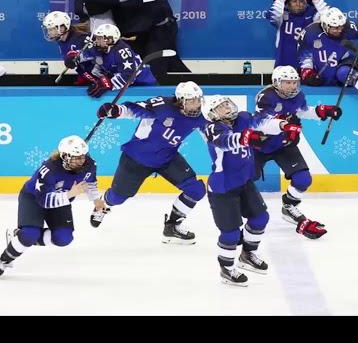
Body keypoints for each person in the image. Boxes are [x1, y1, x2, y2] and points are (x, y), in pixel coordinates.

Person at [201, 95, 301, 286]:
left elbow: (262, 123)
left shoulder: (243, 118)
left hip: (244, 182)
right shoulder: (212, 128)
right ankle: (227, 269)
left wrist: (283, 126)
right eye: (221, 107)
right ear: (212, 114)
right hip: (223, 187)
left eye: (226, 104)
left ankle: (247, 254)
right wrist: (245, 137)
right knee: (230, 233)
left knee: (260, 218)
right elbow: (225, 141)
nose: (227, 108)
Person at [91, 82, 208, 244]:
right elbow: (134, 109)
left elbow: (211, 137)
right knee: (117, 198)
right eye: (191, 101)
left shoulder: (201, 116)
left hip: (168, 158)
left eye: (197, 100)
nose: (195, 105)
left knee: (196, 190)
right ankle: (103, 203)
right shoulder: (162, 105)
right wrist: (116, 111)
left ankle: (172, 227)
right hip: (136, 158)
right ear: (180, 101)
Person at [253, 65, 341, 239]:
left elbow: (301, 112)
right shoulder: (266, 96)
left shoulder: (299, 95)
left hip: (284, 144)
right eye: (287, 83)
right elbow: (261, 123)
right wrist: (285, 126)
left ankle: (289, 207)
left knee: (303, 179)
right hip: (259, 146)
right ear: (277, 82)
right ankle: (242, 210)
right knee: (245, 181)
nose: (292, 86)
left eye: (294, 82)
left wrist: (321, 111)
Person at [0, 136, 104, 276]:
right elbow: (44, 201)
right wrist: (69, 194)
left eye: (82, 156)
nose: (81, 161)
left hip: (60, 200)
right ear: (64, 156)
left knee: (63, 238)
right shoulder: (49, 170)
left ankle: (20, 237)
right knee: (30, 234)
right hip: (34, 198)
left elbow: (90, 181)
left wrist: (96, 200)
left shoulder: (89, 164)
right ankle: (4, 260)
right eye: (76, 157)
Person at [78, 0, 190, 77]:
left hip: (159, 30)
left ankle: (162, 92)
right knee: (139, 64)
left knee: (156, 67)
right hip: (140, 33)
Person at [297, 7, 358, 105]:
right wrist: (308, 73)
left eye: (341, 26)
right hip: (322, 75)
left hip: (345, 63)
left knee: (343, 72)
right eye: (335, 28)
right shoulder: (309, 33)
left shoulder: (346, 27)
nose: (339, 30)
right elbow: (304, 56)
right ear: (325, 25)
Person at [80, 23, 157, 98]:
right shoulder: (100, 47)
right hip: (125, 87)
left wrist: (109, 83)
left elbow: (129, 76)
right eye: (96, 38)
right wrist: (75, 57)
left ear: (109, 40)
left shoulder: (122, 51)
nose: (96, 41)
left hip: (144, 86)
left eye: (99, 38)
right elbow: (85, 54)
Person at [267, 0, 329, 69]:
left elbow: (329, 18)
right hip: (283, 62)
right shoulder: (282, 15)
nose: (298, 4)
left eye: (301, 1)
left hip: (308, 64)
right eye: (294, 1)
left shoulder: (313, 14)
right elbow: (275, 15)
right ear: (288, 3)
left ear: (306, 1)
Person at [41, 11, 95, 85]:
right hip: (85, 74)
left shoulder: (81, 38)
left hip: (98, 74)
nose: (49, 32)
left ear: (62, 28)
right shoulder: (61, 41)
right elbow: (70, 60)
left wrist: (80, 57)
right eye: (48, 29)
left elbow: (97, 54)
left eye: (51, 29)